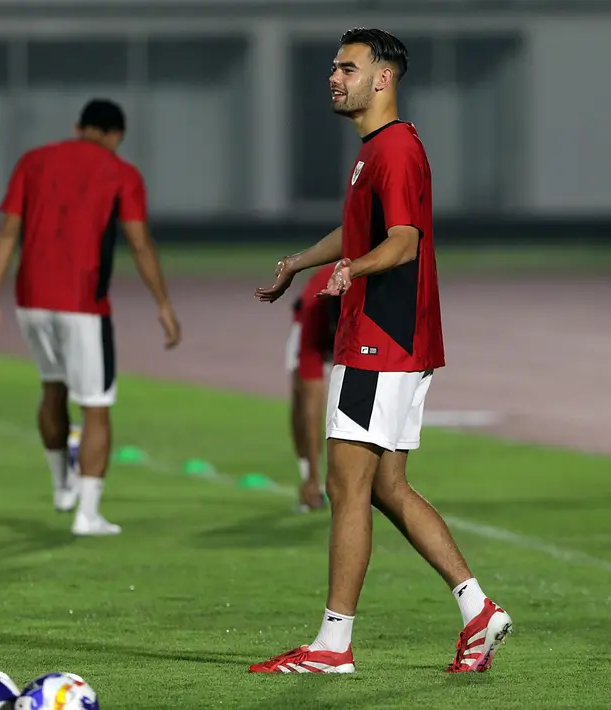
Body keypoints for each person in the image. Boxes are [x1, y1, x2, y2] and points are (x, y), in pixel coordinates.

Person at [250, 28, 512, 674]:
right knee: (386, 486)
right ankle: (478, 610)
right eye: (333, 68)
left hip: (379, 340)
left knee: (346, 486)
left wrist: (353, 271)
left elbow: (401, 241)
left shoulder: (393, 149)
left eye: (347, 67)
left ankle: (332, 645)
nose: (334, 79)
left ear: (382, 78)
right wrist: (299, 262)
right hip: (394, 339)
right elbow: (359, 229)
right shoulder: (378, 150)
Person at [0, 98, 181, 537]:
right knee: (96, 407)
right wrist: (163, 304)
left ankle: (60, 486)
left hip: (30, 298)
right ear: (115, 136)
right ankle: (87, 514)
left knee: (52, 388)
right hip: (82, 303)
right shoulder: (121, 173)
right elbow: (140, 243)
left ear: (78, 126)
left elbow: (7, 231)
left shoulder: (32, 161)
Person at [286, 264, 339, 513]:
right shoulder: (313, 315)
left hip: (360, 330)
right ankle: (309, 475)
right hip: (311, 328)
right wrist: (314, 478)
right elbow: (311, 407)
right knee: (302, 403)